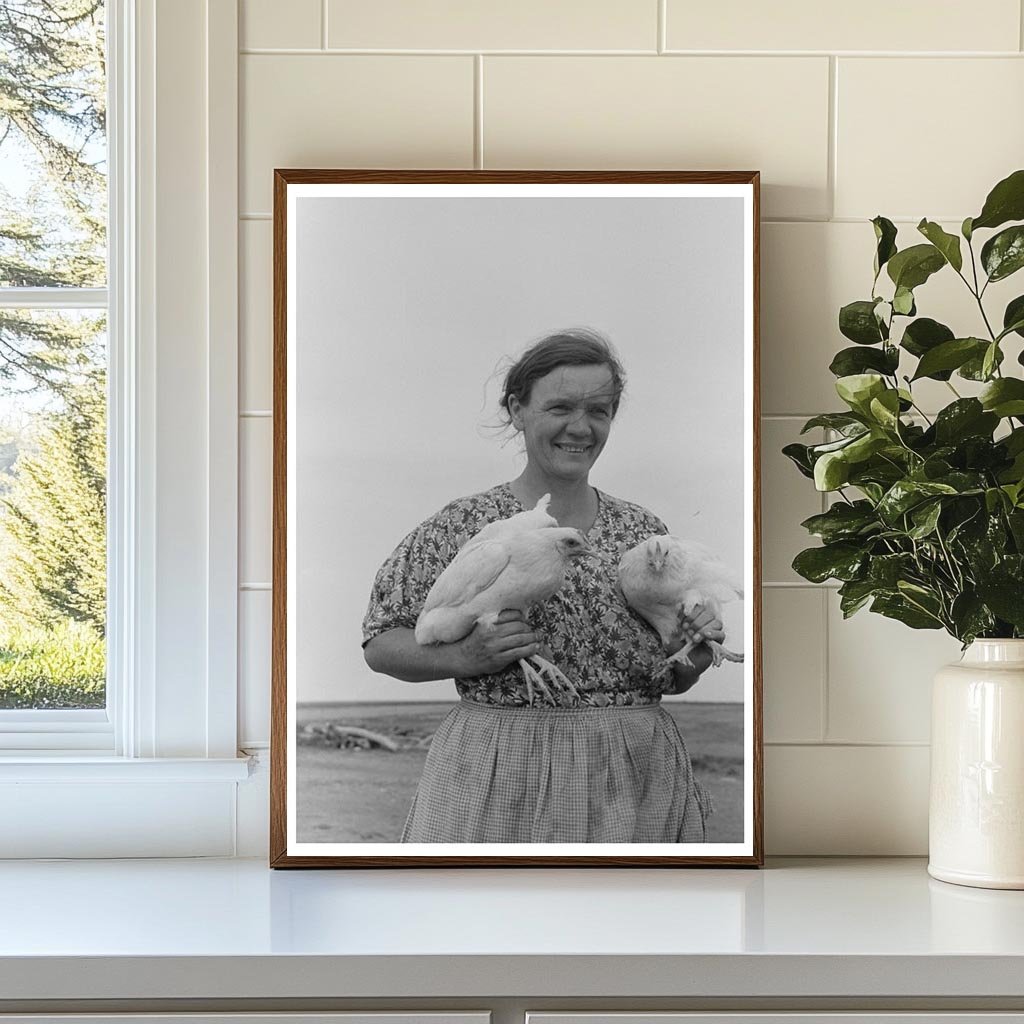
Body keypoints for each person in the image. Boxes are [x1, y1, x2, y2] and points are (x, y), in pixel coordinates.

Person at [361, 328, 723, 843]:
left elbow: (676, 677)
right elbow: (380, 643)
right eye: (560, 408)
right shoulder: (465, 525)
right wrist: (463, 657)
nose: (581, 427)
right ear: (517, 409)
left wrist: (693, 648)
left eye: (599, 410)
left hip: (635, 774)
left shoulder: (644, 532)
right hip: (497, 769)